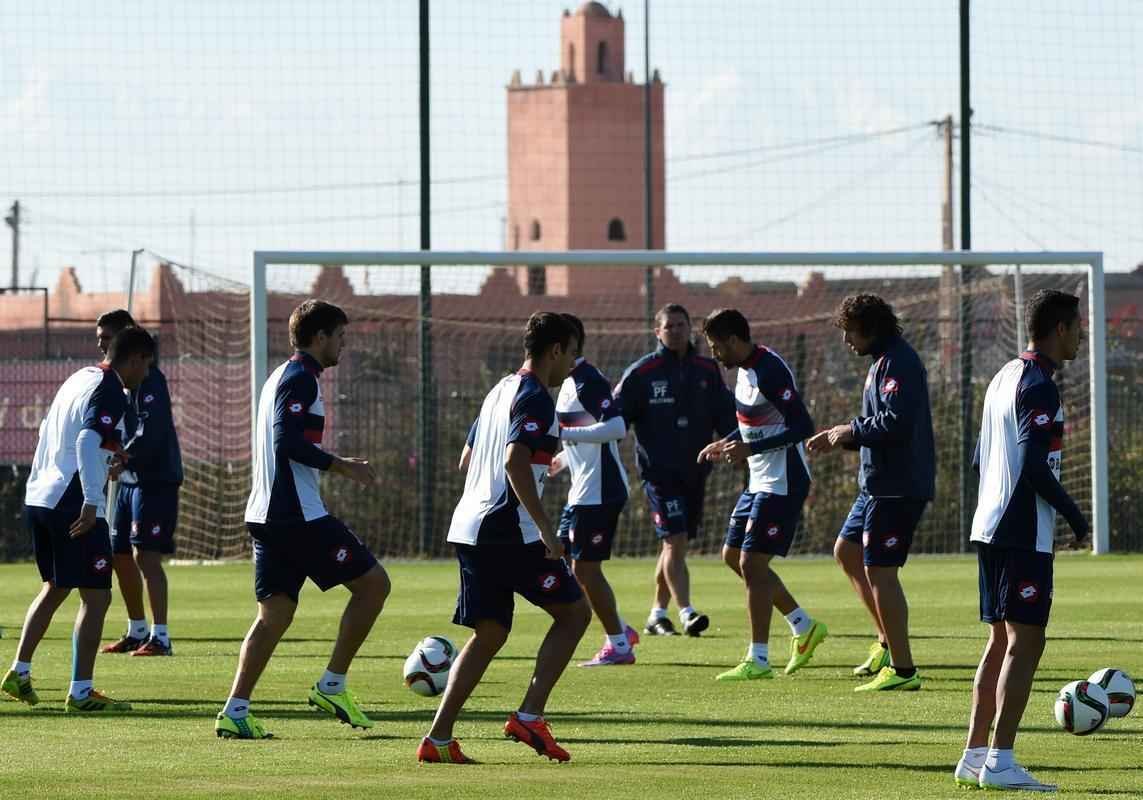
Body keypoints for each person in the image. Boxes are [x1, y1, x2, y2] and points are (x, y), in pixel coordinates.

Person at [418, 312, 590, 765]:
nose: (574, 362)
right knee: (574, 613)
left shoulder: (499, 390)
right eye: (573, 353)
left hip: (470, 527)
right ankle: (530, 715)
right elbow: (514, 462)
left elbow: (467, 457)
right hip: (508, 531)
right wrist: (547, 528)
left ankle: (438, 739)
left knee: (490, 631)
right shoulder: (535, 396)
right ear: (555, 351)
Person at [216, 300, 390, 740]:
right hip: (295, 516)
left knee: (274, 615)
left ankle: (236, 710)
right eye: (340, 337)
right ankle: (333, 685)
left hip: (268, 514)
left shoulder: (281, 375)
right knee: (374, 585)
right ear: (319, 338)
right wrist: (343, 465)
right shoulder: (300, 379)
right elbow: (286, 442)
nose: (343, 346)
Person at [953, 290, 1087, 792]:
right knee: (1027, 641)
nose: (1080, 335)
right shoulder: (1039, 386)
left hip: (990, 525)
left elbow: (978, 458)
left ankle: (974, 755)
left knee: (999, 641)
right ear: (1058, 329)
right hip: (1020, 529)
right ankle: (1001, 761)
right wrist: (1075, 516)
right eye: (1077, 327)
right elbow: (1032, 466)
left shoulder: (1004, 376)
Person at [2, 326, 156, 711]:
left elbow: (57, 432)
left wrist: (107, 458)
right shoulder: (110, 390)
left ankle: (19, 672)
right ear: (135, 358)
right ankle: (81, 692)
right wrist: (91, 499)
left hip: (42, 495)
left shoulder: (79, 377)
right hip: (74, 503)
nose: (147, 374)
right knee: (98, 596)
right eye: (147, 365)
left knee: (55, 585)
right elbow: (87, 439)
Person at [807, 294, 934, 691]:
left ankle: (903, 670)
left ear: (871, 328)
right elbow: (877, 421)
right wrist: (842, 434)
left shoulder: (900, 361)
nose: (847, 342)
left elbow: (896, 423)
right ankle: (885, 640)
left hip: (897, 486)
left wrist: (852, 431)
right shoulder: (880, 362)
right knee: (847, 552)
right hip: (875, 484)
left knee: (880, 570)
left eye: (850, 333)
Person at [697, 309, 827, 680]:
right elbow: (756, 427)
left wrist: (749, 450)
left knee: (752, 565)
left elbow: (802, 425)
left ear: (735, 341)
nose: (714, 354)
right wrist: (728, 442)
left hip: (783, 480)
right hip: (759, 480)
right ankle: (804, 626)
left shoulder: (769, 370)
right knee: (733, 555)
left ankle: (758, 658)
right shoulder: (741, 372)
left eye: (716, 346)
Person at [615, 303, 736, 637]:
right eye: (669, 327)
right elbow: (614, 422)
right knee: (675, 539)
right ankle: (687, 612)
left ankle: (656, 614)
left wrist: (740, 446)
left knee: (674, 546)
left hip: (697, 473)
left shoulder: (707, 370)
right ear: (658, 332)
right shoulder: (641, 374)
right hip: (659, 474)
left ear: (690, 329)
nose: (677, 331)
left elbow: (727, 418)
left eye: (682, 325)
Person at [548, 313, 640, 666]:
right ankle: (619, 629)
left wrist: (564, 436)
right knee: (568, 568)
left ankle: (618, 644)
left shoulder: (588, 380)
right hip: (582, 490)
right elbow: (584, 433)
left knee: (585, 570)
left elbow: (615, 428)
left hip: (601, 491)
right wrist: (563, 459)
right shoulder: (569, 382)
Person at [94, 310, 184, 658]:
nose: (101, 343)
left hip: (154, 478)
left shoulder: (150, 379)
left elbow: (152, 431)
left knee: (146, 556)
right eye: (99, 336)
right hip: (129, 478)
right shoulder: (113, 382)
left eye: (107, 336)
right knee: (119, 554)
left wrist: (123, 456)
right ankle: (137, 629)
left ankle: (161, 637)